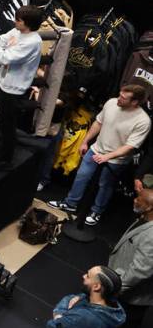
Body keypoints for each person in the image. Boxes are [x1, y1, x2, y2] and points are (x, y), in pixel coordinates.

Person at [49, 85, 151, 225]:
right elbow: (98, 123)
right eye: (119, 94)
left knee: (105, 184)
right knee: (82, 176)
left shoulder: (143, 121)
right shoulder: (111, 103)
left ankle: (97, 211)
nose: (118, 99)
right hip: (96, 149)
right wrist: (85, 142)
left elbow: (130, 146)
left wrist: (107, 157)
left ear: (134, 102)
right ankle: (70, 203)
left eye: (123, 98)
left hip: (117, 159)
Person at [0, 5, 44, 166]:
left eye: (18, 20)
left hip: (14, 90)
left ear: (27, 23)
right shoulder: (17, 31)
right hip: (4, 83)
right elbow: (0, 42)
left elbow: (4, 58)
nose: (15, 21)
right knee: (2, 121)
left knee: (8, 125)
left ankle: (6, 159)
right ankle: (1, 149)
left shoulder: (32, 42)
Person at [105, 187, 153, 328]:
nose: (134, 199)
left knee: (127, 322)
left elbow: (141, 270)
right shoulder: (145, 219)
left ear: (148, 207)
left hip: (134, 292)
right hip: (125, 284)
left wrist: (113, 287)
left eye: (139, 198)